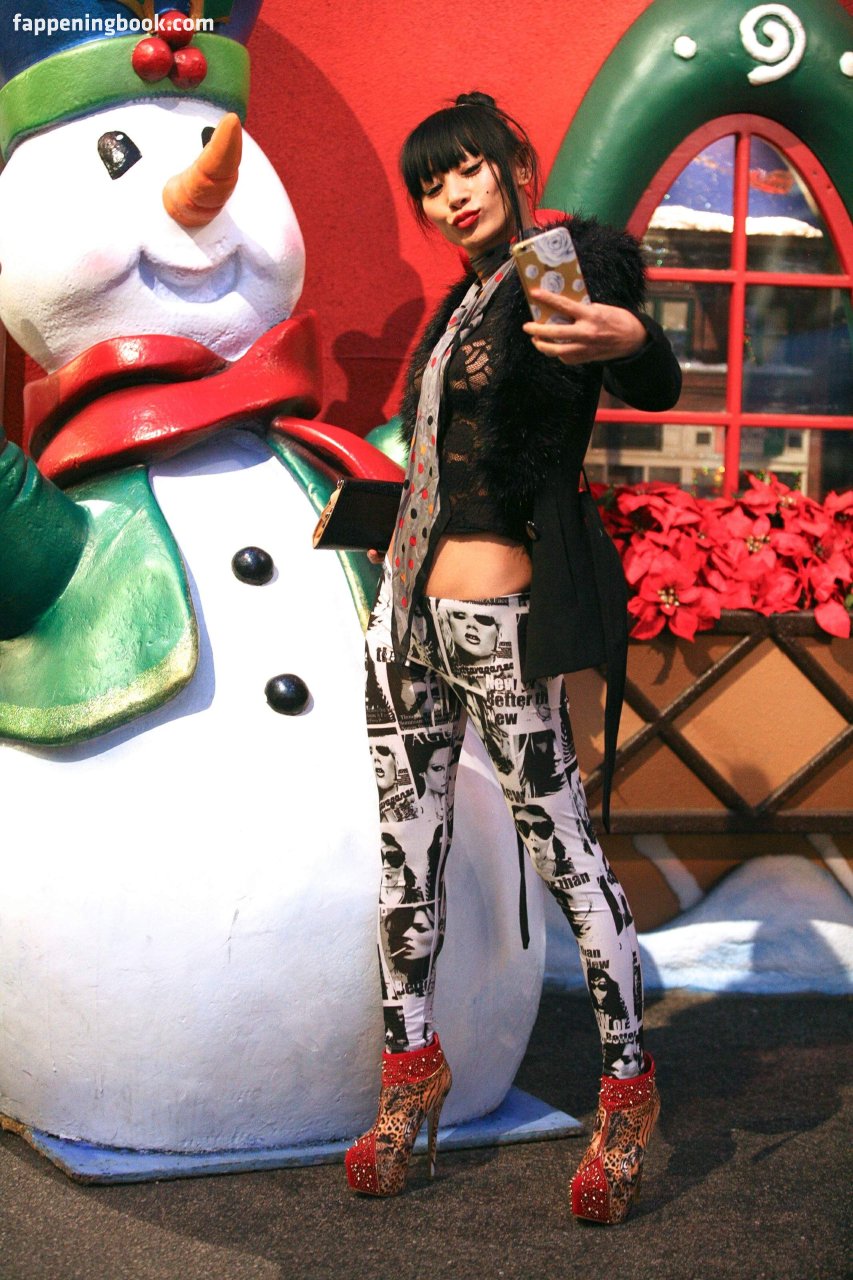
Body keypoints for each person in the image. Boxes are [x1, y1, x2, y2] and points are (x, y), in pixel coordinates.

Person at [345, 92, 680, 1220]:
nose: (451, 195)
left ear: (511, 163)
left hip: (498, 620)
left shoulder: (556, 265)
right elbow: (447, 456)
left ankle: (626, 1089)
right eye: (429, 185)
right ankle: (409, 1070)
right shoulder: (455, 309)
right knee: (404, 858)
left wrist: (634, 338)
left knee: (563, 848)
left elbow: (637, 372)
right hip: (405, 614)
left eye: (466, 168)